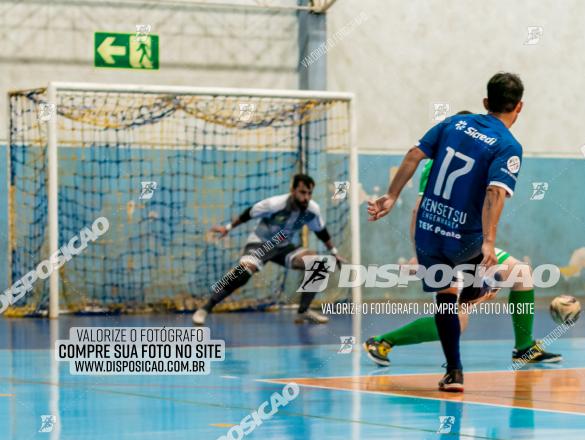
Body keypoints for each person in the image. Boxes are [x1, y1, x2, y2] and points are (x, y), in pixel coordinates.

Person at [367, 72, 525, 391]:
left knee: (446, 300)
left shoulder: (453, 123)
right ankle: (477, 284)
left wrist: (391, 195)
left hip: (429, 230)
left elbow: (414, 155)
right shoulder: (508, 145)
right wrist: (490, 243)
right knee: (490, 276)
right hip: (465, 235)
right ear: (519, 107)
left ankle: (454, 371)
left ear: (485, 102)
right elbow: (495, 193)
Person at [363, 129, 560, 367]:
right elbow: (418, 208)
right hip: (446, 243)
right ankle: (383, 341)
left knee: (521, 274)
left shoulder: (475, 159)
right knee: (458, 317)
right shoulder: (438, 164)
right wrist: (421, 255)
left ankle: (524, 348)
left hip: (470, 243)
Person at [192, 173, 343, 325]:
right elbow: (249, 213)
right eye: (303, 192)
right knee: (243, 273)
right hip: (262, 243)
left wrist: (334, 252)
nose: (306, 197)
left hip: (283, 246)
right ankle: (205, 308)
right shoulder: (274, 204)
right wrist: (228, 228)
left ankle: (303, 312)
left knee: (318, 263)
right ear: (293, 190)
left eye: (309, 193)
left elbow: (321, 232)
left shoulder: (312, 211)